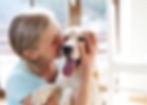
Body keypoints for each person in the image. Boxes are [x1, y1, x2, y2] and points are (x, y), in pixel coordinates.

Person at [6, 9, 97, 105]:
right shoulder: (18, 81)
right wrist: (87, 70)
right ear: (31, 53)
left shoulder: (60, 62)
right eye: (54, 40)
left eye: (60, 34)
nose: (63, 42)